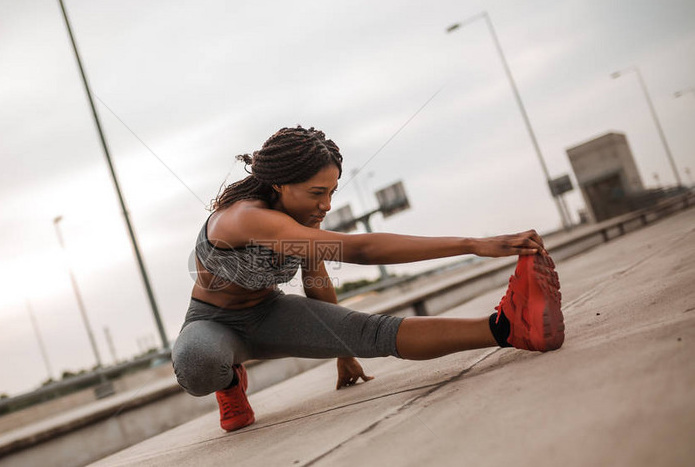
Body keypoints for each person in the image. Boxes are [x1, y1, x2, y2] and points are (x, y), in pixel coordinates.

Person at [172, 125, 564, 432]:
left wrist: (343, 352)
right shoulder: (244, 218)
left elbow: (316, 275)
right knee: (198, 362)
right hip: (213, 323)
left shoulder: (299, 221)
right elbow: (361, 249)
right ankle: (229, 383)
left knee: (372, 332)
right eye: (315, 193)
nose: (325, 205)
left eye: (331, 192)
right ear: (279, 185)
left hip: (271, 315)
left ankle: (507, 327)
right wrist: (474, 244)